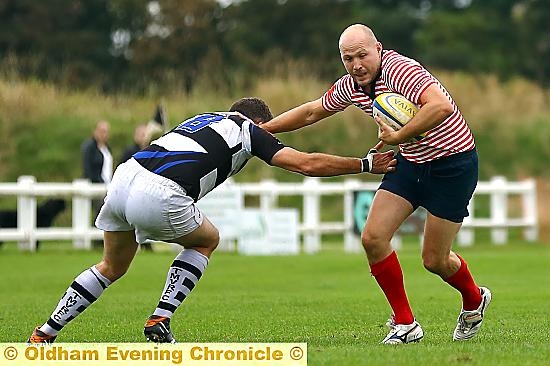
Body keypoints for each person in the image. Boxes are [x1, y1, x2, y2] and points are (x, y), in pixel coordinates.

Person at [28, 97, 397, 344]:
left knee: (111, 265)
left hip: (126, 177)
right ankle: (160, 318)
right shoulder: (251, 130)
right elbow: (306, 164)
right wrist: (363, 164)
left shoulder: (203, 117)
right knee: (206, 239)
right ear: (259, 121)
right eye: (269, 127)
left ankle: (45, 333)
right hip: (161, 191)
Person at [259, 24, 491, 344]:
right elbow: (313, 111)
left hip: (453, 166)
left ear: (378, 49)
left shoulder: (400, 70)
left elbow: (440, 106)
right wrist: (264, 129)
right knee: (373, 237)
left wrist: (398, 136)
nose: (356, 65)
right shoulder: (351, 86)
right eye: (348, 58)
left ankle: (474, 299)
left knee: (434, 260)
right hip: (410, 163)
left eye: (362, 55)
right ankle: (406, 323)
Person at [81, 120, 113, 248]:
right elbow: (88, 168)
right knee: (100, 210)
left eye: (106, 132)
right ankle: (97, 241)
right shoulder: (89, 148)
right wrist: (98, 183)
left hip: (107, 185)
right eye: (102, 131)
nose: (104, 134)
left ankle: (103, 240)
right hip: (95, 185)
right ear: (95, 131)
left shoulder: (107, 148)